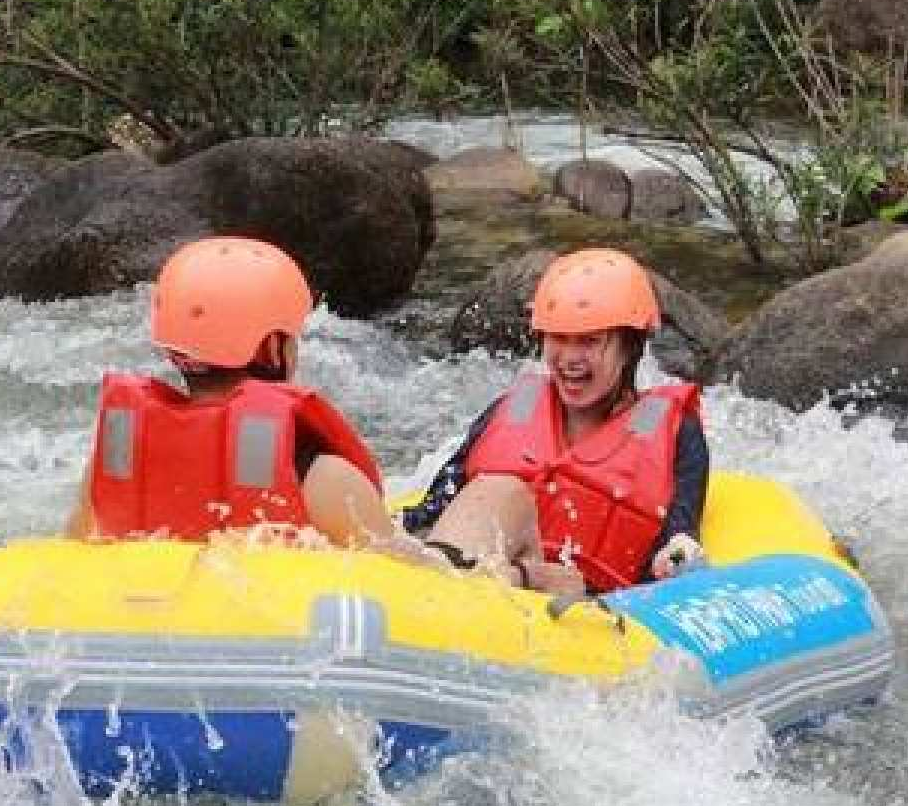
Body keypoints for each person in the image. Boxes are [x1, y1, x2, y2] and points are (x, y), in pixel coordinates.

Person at [403, 248, 710, 596]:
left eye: (589, 341)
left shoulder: (676, 434)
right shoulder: (508, 411)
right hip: (496, 583)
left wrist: (677, 556)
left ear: (630, 347)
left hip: (586, 610)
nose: (569, 359)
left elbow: (678, 536)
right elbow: (435, 509)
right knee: (502, 491)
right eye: (558, 338)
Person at [66, 236, 393, 547]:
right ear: (274, 350)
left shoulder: (117, 459)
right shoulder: (327, 481)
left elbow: (72, 558)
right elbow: (410, 585)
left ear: (175, 351)